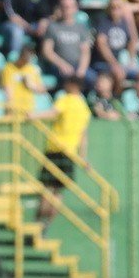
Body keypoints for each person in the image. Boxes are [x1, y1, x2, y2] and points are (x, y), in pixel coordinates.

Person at [37, 84, 91, 234]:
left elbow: (54, 113)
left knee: (47, 189)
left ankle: (38, 222)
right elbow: (84, 136)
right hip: (70, 153)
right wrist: (83, 158)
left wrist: (32, 115)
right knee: (58, 192)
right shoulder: (84, 107)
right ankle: (46, 225)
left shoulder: (65, 99)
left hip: (55, 149)